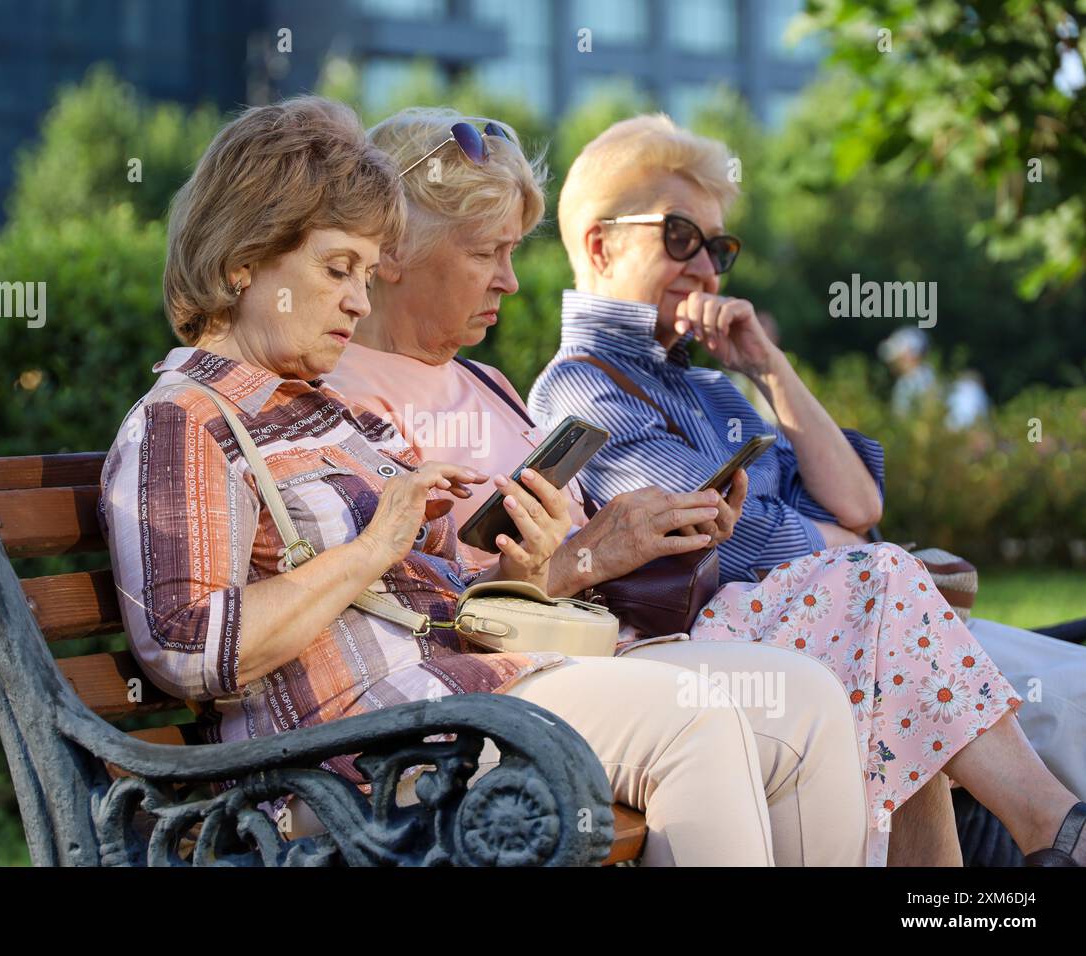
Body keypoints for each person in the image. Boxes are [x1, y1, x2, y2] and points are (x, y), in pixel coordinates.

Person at [99, 95, 870, 866]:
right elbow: (185, 645)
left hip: (462, 693)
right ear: (242, 263)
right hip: (359, 755)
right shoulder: (186, 421)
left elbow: (444, 604)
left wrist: (525, 571)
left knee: (804, 700)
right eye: (338, 270)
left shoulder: (327, 414)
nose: (359, 300)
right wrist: (373, 548)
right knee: (689, 722)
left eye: (366, 273)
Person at [326, 105, 1086, 867]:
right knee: (896, 605)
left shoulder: (502, 382)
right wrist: (602, 550)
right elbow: (439, 596)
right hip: (610, 649)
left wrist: (769, 371)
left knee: (906, 631)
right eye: (681, 238)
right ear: (393, 253)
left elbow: (856, 508)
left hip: (634, 639)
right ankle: (1052, 832)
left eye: (719, 246)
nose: (512, 280)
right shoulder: (561, 385)